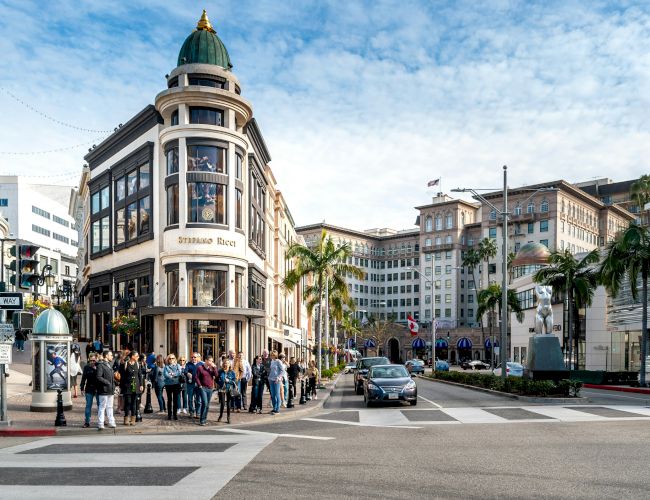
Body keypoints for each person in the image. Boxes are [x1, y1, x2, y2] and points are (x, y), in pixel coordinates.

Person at [120, 351, 143, 426]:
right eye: (137, 356)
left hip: (136, 386)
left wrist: (141, 385)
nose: (138, 357)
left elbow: (140, 375)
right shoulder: (126, 364)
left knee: (134, 403)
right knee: (128, 402)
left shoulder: (138, 364)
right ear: (132, 356)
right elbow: (122, 377)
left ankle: (133, 419)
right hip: (128, 386)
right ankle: (126, 418)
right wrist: (122, 386)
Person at [96, 351, 117, 430]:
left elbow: (111, 377)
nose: (112, 357)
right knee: (102, 406)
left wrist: (114, 384)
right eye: (111, 355)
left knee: (110, 407)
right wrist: (108, 383)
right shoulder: (101, 365)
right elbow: (98, 377)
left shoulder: (109, 365)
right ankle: (100, 423)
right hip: (104, 390)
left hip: (110, 390)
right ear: (106, 356)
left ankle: (111, 421)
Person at [195, 355, 217, 426]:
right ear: (206, 360)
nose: (211, 362)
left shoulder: (211, 368)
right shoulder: (200, 368)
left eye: (212, 361)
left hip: (210, 388)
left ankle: (204, 419)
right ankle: (201, 420)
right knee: (204, 403)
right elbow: (196, 377)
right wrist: (200, 385)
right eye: (210, 361)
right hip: (203, 388)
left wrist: (214, 367)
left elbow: (216, 375)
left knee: (207, 405)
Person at [80, 353, 98, 428]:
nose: (92, 362)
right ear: (88, 360)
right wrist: (82, 388)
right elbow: (83, 378)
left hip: (98, 389)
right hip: (89, 388)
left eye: (94, 360)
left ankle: (102, 420)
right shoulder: (86, 367)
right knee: (88, 406)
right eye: (91, 360)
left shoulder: (99, 366)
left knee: (100, 406)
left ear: (96, 360)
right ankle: (87, 421)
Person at [163, 353, 182, 420]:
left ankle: (175, 414)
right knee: (169, 400)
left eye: (173, 358)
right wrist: (172, 376)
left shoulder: (178, 365)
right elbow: (165, 374)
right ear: (168, 360)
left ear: (175, 359)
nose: (171, 359)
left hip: (176, 384)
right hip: (168, 385)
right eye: (170, 358)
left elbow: (179, 373)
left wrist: (172, 374)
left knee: (175, 400)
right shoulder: (166, 367)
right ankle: (169, 414)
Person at [216, 359, 236, 424]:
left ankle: (228, 417)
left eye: (227, 363)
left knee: (228, 403)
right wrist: (220, 382)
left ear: (229, 364)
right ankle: (220, 415)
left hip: (229, 388)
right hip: (222, 389)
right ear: (223, 364)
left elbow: (234, 381)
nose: (226, 364)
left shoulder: (232, 372)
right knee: (222, 403)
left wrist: (229, 381)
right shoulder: (220, 371)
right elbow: (216, 379)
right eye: (225, 363)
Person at [184, 352, 203, 420]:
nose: (193, 358)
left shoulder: (201, 364)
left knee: (198, 399)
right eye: (192, 357)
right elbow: (185, 371)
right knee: (190, 399)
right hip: (190, 384)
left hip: (198, 384)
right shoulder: (188, 364)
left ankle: (198, 413)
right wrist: (188, 373)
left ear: (198, 357)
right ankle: (191, 412)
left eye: (195, 357)